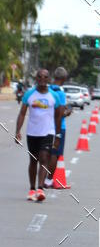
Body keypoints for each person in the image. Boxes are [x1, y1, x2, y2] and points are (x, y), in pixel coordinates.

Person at [15, 68, 61, 202]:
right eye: (39, 76)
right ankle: (32, 189)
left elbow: (58, 116)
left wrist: (58, 135)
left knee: (44, 158)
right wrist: (18, 131)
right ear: (36, 78)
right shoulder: (29, 94)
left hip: (48, 132)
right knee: (33, 160)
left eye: (45, 77)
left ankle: (40, 188)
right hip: (32, 133)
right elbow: (22, 113)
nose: (42, 79)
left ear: (48, 79)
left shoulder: (54, 96)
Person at [45, 67, 71, 187]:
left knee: (46, 153)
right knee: (55, 153)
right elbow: (60, 114)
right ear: (64, 78)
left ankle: (42, 178)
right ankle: (49, 180)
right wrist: (67, 113)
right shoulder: (59, 93)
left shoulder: (48, 90)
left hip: (46, 126)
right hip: (59, 127)